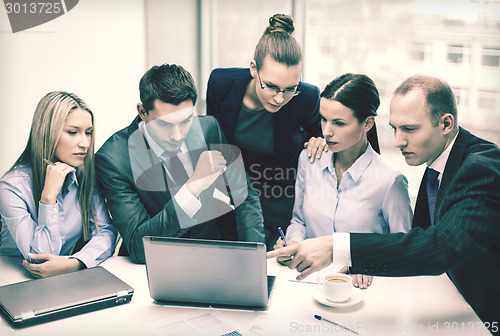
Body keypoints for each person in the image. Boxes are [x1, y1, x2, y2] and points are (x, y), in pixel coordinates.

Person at [267, 75, 500, 331]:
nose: (398, 141)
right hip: (449, 305)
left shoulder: (480, 168)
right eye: (394, 129)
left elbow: (442, 244)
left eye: (409, 129)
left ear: (445, 124)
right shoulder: (438, 165)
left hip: (485, 314)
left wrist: (341, 249)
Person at [95, 64, 264, 264]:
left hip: (214, 259)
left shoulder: (209, 128)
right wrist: (192, 188)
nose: (177, 136)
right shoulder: (113, 159)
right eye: (164, 124)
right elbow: (138, 246)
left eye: (185, 121)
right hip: (156, 268)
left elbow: (243, 192)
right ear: (142, 112)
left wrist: (255, 254)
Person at [274, 74, 412, 289]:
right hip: (307, 283)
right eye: (323, 119)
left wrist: (368, 262)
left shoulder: (390, 181)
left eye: (338, 123)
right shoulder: (309, 160)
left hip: (363, 291)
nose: (326, 131)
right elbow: (299, 221)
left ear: (367, 123)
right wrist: (293, 244)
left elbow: (406, 251)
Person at [206, 14, 324, 249]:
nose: (280, 98)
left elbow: (320, 134)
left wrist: (319, 140)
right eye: (270, 86)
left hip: (277, 197)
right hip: (232, 191)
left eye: (290, 89)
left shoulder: (307, 97)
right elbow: (215, 135)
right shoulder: (221, 83)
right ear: (253, 69)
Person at [0, 91, 117, 278]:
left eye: (88, 133)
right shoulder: (12, 187)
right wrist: (48, 198)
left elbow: (106, 232)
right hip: (16, 281)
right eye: (73, 132)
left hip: (65, 278)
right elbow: (39, 259)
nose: (85, 143)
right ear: (47, 133)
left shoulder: (85, 174)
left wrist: (76, 262)